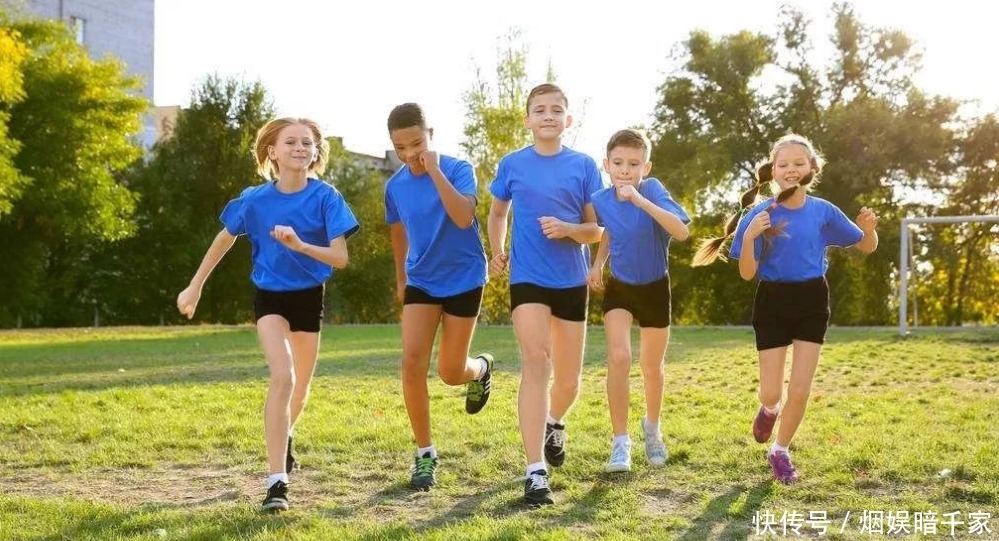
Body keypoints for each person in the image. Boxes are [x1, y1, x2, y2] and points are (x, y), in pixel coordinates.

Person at [176, 117, 359, 511]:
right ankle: (277, 482)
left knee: (301, 387)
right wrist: (195, 285)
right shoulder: (255, 200)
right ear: (272, 152)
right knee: (283, 376)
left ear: (315, 153)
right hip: (270, 299)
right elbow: (223, 239)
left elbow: (341, 258)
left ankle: (285, 436)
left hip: (309, 296)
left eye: (307, 143)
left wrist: (300, 245)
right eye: (290, 142)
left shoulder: (327, 197)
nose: (300, 148)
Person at [692, 133, 878, 483]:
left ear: (811, 168)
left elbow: (866, 246)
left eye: (798, 163)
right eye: (783, 164)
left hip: (812, 299)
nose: (791, 169)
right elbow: (747, 274)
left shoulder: (824, 212)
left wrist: (869, 230)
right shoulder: (759, 215)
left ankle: (780, 449)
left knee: (801, 387)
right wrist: (748, 238)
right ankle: (769, 408)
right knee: (773, 391)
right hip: (772, 301)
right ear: (772, 171)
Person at [487, 83, 605, 506]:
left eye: (556, 109)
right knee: (537, 361)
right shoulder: (513, 164)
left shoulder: (584, 166)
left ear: (567, 119)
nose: (549, 116)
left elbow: (597, 228)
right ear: (528, 119)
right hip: (529, 279)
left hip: (571, 280)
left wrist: (569, 230)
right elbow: (498, 211)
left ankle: (556, 421)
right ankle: (535, 471)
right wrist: (497, 252)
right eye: (540, 110)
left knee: (569, 379)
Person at [384, 103, 494, 491]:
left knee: (450, 372)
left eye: (416, 143)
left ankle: (480, 369)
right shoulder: (394, 186)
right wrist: (401, 277)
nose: (410, 153)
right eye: (401, 148)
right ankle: (425, 453)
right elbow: (398, 231)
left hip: (464, 277)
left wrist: (433, 171)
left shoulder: (459, 169)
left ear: (431, 133)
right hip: (422, 281)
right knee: (412, 363)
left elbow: (463, 217)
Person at [587, 129, 690, 473]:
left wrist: (640, 201)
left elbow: (682, 232)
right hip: (621, 287)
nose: (625, 170)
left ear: (646, 167)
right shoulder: (601, 199)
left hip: (655, 287)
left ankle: (652, 429)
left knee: (651, 367)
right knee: (619, 357)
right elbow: (610, 231)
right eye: (618, 163)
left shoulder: (654, 190)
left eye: (633, 163)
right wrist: (598, 263)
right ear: (607, 165)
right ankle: (620, 443)